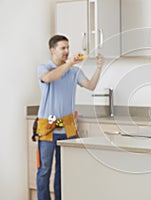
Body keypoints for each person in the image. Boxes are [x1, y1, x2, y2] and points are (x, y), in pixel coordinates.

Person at [35, 34, 104, 200]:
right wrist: (71, 62)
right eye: (62, 48)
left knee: (62, 170)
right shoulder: (44, 68)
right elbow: (49, 78)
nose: (66, 51)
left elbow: (91, 85)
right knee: (44, 170)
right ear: (52, 50)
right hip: (48, 127)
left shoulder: (74, 71)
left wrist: (99, 68)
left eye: (68, 47)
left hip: (67, 126)